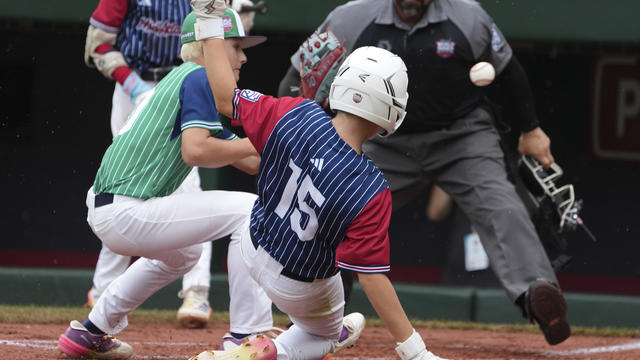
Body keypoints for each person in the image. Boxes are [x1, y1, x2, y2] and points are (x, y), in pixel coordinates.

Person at [278, 0, 570, 346]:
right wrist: (302, 132)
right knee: (334, 209)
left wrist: (531, 129)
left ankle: (538, 292)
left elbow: (507, 70)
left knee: (501, 205)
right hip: (382, 139)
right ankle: (321, 315)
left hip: (461, 137)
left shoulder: (467, 15)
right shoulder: (350, 17)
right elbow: (298, 78)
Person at [186, 1, 448, 359]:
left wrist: (211, 20)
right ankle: (268, 350)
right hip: (299, 285)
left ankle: (316, 327)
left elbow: (222, 96)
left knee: (328, 316)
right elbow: (371, 278)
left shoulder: (294, 111)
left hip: (252, 246)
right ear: (389, 111)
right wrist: (415, 352)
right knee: (323, 335)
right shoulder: (371, 188)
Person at [58, 9, 275, 359]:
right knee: (250, 210)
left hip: (110, 207)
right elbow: (196, 151)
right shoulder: (199, 78)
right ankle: (246, 335)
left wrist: (291, 143)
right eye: (235, 46)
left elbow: (250, 160)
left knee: (184, 255)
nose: (243, 56)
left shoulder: (185, 79)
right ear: (209, 47)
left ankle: (93, 330)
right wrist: (268, 137)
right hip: (127, 208)